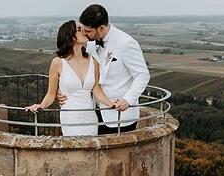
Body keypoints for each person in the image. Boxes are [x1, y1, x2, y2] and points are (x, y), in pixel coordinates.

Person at [61, 4, 150, 134]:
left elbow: (142, 75)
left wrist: (128, 100)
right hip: (94, 112)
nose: (84, 33)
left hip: (119, 115)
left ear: (101, 28)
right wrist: (64, 90)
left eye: (88, 31)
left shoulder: (126, 44)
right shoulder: (91, 42)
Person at [26, 21, 113, 136]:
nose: (84, 31)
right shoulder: (58, 63)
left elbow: (96, 89)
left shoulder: (93, 61)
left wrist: (111, 103)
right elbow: (51, 94)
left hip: (90, 117)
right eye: (78, 29)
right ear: (70, 37)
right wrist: (41, 105)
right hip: (70, 118)